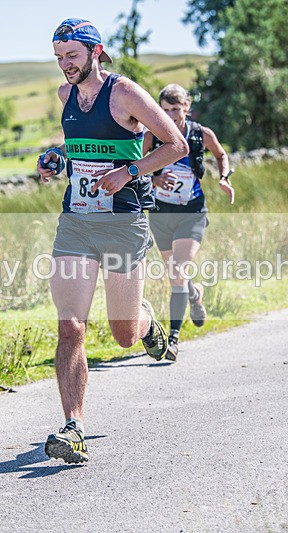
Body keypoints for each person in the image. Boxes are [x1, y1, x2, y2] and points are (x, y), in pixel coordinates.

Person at [36, 18, 189, 464]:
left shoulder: (123, 93)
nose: (65, 66)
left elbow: (175, 145)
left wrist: (130, 171)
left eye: (72, 56)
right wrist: (54, 158)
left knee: (123, 336)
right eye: (59, 58)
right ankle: (73, 426)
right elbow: (77, 144)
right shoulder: (66, 96)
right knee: (70, 325)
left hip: (123, 222)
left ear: (95, 51)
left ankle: (145, 321)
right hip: (77, 222)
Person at [144, 83, 232, 361]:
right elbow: (136, 166)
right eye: (165, 110)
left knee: (177, 271)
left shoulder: (200, 134)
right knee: (177, 273)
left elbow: (220, 154)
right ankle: (194, 293)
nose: (170, 116)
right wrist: (154, 178)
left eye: (176, 110)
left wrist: (224, 177)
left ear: (187, 109)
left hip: (192, 212)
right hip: (160, 212)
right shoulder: (152, 136)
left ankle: (173, 339)